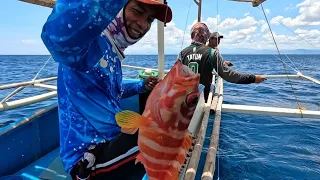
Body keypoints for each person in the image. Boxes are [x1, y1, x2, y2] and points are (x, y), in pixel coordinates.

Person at [41, 0, 172, 179]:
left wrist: (141, 86)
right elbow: (57, 37)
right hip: (87, 158)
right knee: (165, 136)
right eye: (137, 11)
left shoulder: (112, 49)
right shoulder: (88, 44)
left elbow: (112, 91)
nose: (143, 24)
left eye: (149, 19)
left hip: (112, 140)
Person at [179, 23, 266, 102]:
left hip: (185, 101)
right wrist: (253, 78)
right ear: (206, 36)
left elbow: (177, 78)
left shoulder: (182, 53)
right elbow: (229, 75)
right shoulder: (211, 52)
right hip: (202, 100)